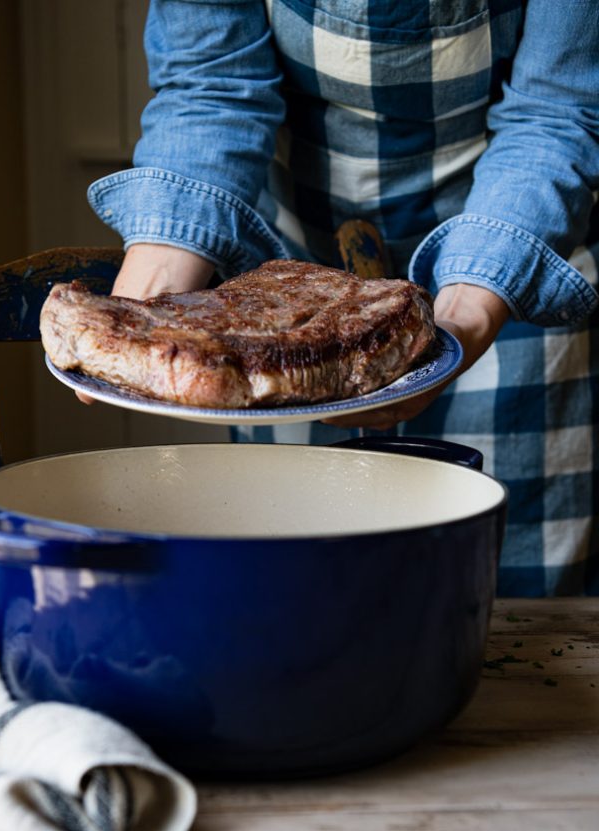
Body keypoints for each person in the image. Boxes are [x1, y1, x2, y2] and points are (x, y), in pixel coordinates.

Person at [85, 0, 599, 597]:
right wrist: (155, 296)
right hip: (281, 306)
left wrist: (465, 311)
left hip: (516, 261)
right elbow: (212, 85)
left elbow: (557, 112)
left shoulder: (508, 271)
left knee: (508, 611)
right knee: (293, 596)